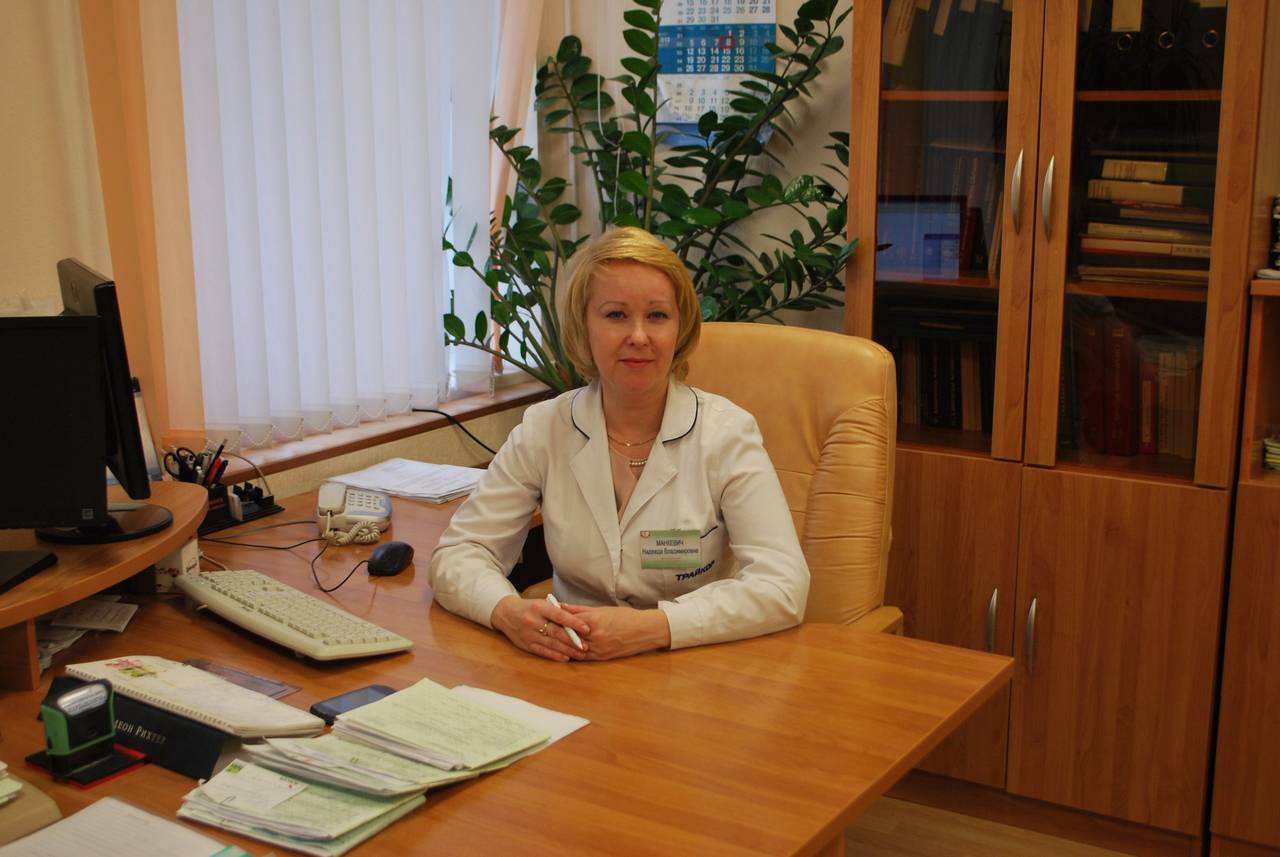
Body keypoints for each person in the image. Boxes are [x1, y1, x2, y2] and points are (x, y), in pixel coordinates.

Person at [428, 227, 809, 661]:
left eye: (658, 316)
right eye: (615, 315)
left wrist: (654, 628)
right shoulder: (546, 428)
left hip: (693, 664)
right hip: (571, 664)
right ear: (583, 327)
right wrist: (507, 612)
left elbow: (782, 585)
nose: (639, 336)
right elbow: (459, 552)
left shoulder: (727, 434)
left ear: (680, 327)